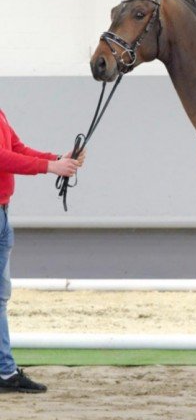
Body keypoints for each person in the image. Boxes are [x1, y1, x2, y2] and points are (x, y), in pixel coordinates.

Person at [0, 108, 84, 393]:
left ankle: (5, 371)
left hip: (3, 211)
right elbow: (3, 158)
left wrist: (57, 160)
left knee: (0, 296)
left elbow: (17, 148)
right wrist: (51, 167)